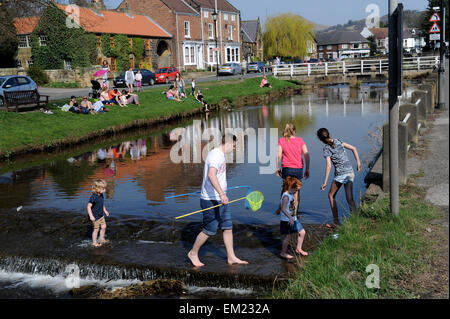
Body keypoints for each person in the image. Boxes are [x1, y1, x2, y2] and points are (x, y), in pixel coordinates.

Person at [188, 134, 248, 267]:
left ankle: (231, 257)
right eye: (233, 145)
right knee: (210, 229)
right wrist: (221, 194)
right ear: (227, 143)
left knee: (227, 227)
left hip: (221, 199)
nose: (233, 148)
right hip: (212, 200)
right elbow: (211, 174)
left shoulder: (219, 155)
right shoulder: (216, 155)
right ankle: (193, 252)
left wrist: (222, 194)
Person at [317, 128, 362, 228]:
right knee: (349, 198)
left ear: (320, 139)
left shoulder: (326, 148)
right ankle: (356, 221)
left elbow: (328, 166)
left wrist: (325, 182)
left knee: (331, 195)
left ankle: (336, 222)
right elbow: (354, 148)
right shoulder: (338, 141)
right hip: (350, 172)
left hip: (341, 174)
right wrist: (358, 162)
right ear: (329, 134)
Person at [276, 123, 310, 216]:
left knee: (285, 189)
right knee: (296, 192)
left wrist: (277, 167)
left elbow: (279, 155)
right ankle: (294, 214)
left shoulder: (281, 140)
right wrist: (307, 169)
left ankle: (280, 208)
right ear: (294, 131)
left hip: (287, 169)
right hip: (298, 169)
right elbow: (306, 155)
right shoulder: (300, 140)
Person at [279, 176, 308, 259]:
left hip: (293, 218)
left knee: (302, 232)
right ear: (290, 187)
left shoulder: (290, 194)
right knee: (287, 237)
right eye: (296, 189)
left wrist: (293, 216)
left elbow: (281, 205)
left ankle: (298, 249)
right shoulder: (286, 197)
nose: (296, 191)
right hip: (287, 220)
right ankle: (283, 253)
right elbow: (283, 208)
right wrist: (290, 218)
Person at [87, 179, 110, 247]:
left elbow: (102, 204)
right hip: (95, 216)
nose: (105, 190)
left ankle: (101, 238)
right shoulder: (93, 197)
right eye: (103, 189)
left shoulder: (101, 195)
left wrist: (105, 211)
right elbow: (88, 206)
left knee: (104, 226)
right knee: (96, 229)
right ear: (98, 189)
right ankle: (94, 242)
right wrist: (91, 216)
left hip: (101, 215)